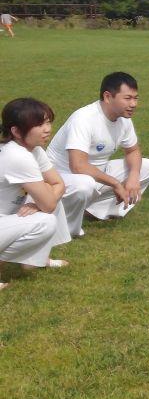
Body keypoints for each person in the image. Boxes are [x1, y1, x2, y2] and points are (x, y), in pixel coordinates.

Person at [47, 72, 149, 237]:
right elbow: (77, 166)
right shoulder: (84, 119)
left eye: (136, 98)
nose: (133, 104)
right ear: (107, 97)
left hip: (93, 176)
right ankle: (67, 230)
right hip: (60, 181)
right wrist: (116, 184)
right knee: (85, 184)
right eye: (127, 98)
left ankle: (95, 212)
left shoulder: (124, 119)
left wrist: (134, 177)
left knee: (147, 167)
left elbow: (133, 150)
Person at [0, 98, 72, 288]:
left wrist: (42, 200)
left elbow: (59, 183)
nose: (47, 129)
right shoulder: (16, 156)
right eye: (39, 124)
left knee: (49, 195)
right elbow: (48, 204)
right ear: (16, 131)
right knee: (45, 217)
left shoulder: (34, 150)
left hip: (6, 218)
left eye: (48, 122)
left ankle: (35, 258)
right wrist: (43, 201)